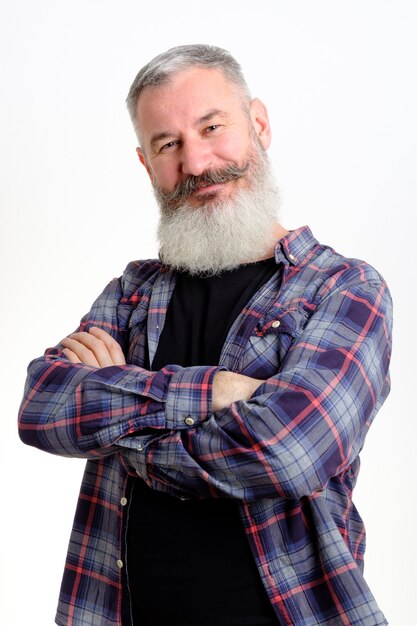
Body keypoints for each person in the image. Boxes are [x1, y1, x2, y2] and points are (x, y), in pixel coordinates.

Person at [18, 44, 392, 626]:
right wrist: (216, 392)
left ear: (258, 125)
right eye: (168, 145)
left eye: (211, 127)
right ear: (147, 165)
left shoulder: (344, 288)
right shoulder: (134, 291)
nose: (195, 163)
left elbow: (290, 451)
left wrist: (121, 422)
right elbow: (41, 408)